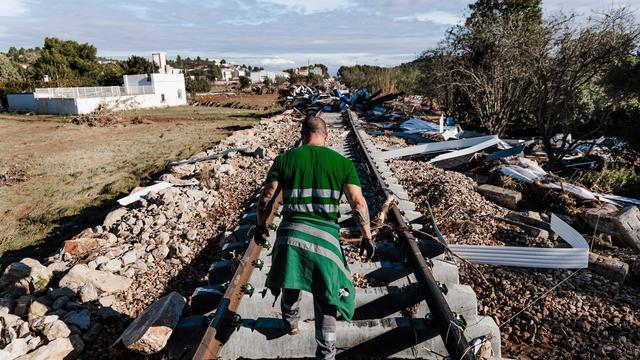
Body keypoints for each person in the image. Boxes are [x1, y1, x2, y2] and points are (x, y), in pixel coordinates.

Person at [255, 115, 375, 360]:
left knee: (292, 278)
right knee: (327, 296)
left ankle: (290, 323)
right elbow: (358, 202)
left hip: (290, 235)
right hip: (325, 239)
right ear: (327, 136)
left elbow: (267, 197)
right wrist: (367, 236)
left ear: (302, 135)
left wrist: (260, 225)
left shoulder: (285, 159)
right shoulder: (342, 163)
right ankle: (326, 353)